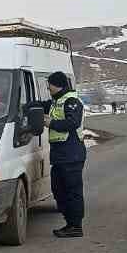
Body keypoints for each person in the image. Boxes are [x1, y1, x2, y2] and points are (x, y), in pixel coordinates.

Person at [45, 70, 86, 237]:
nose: (48, 88)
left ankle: (75, 226)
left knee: (72, 191)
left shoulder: (71, 101)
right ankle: (69, 222)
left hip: (71, 154)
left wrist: (51, 123)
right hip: (60, 155)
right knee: (58, 189)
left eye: (50, 86)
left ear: (58, 85)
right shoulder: (56, 101)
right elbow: (40, 105)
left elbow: (73, 122)